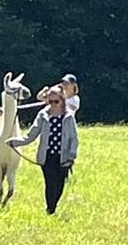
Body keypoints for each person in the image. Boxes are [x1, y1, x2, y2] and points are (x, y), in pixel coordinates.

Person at [7, 85, 79, 215]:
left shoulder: (69, 117)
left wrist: (71, 157)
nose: (52, 105)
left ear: (62, 100)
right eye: (50, 101)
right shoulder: (43, 115)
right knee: (50, 183)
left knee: (60, 185)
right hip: (47, 157)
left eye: (55, 102)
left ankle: (53, 206)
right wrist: (15, 142)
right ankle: (50, 210)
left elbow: (74, 139)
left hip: (64, 157)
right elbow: (31, 135)